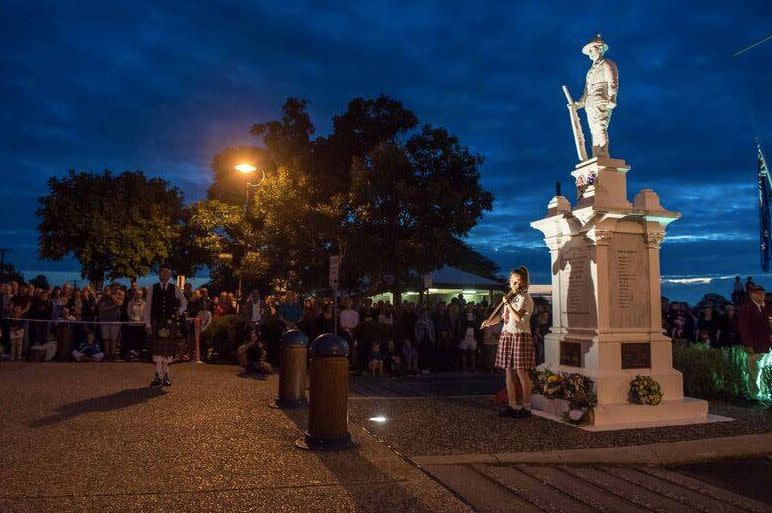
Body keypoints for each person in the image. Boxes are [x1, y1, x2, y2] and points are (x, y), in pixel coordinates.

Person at [482, 266, 535, 418]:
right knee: (508, 372)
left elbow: (518, 317)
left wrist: (508, 303)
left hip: (520, 335)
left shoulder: (526, 298)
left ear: (524, 282)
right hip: (507, 334)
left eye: (517, 281)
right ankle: (512, 405)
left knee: (521, 372)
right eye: (512, 280)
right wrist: (489, 322)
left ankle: (526, 406)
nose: (513, 284)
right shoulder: (511, 297)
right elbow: (503, 317)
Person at [574, 34, 618, 158]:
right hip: (590, 104)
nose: (590, 54)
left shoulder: (607, 64)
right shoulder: (589, 71)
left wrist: (612, 97)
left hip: (601, 100)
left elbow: (612, 82)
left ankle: (603, 154)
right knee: (594, 131)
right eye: (589, 52)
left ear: (599, 49)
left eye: (591, 50)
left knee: (600, 127)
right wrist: (579, 104)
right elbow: (586, 91)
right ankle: (596, 155)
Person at [144, 263, 187, 387]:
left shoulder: (175, 288)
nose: (164, 274)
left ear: (170, 274)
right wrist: (148, 324)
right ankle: (158, 376)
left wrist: (180, 311)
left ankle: (166, 375)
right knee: (157, 352)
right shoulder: (152, 288)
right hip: (156, 322)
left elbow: (184, 301)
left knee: (167, 352)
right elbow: (148, 308)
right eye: (162, 271)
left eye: (167, 272)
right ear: (159, 274)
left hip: (169, 323)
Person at [738, 285, 772, 396]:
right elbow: (744, 328)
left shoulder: (769, 307)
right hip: (755, 346)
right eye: (759, 293)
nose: (762, 295)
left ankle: (766, 392)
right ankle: (755, 395)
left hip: (768, 345)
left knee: (766, 370)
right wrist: (748, 345)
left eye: (763, 293)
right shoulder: (746, 309)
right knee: (754, 372)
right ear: (752, 295)